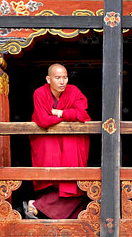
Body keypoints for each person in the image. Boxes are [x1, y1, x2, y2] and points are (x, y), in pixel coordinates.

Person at [26, 64, 91, 219]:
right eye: (58, 78)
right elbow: (43, 120)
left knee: (76, 187)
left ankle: (36, 206)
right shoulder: (40, 93)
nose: (62, 81)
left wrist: (60, 113)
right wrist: (69, 117)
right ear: (48, 79)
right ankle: (39, 207)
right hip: (50, 145)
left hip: (70, 145)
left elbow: (82, 115)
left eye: (65, 77)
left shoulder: (73, 91)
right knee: (57, 182)